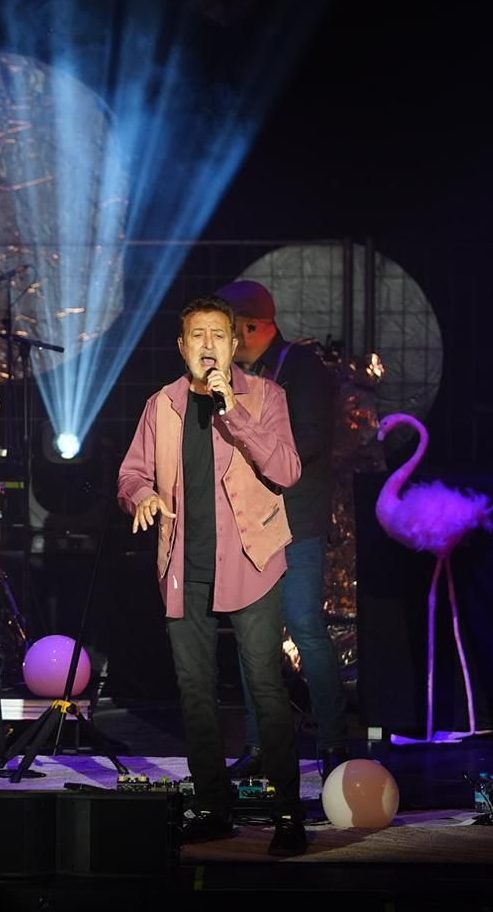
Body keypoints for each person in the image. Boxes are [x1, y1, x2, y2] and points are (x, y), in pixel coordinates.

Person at [117, 295, 308, 855]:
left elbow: (287, 470)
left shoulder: (264, 396)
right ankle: (213, 807)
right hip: (185, 562)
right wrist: (143, 495)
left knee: (266, 688)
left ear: (234, 344)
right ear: (182, 348)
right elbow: (130, 473)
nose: (207, 346)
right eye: (196, 336)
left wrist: (235, 414)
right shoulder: (163, 406)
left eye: (218, 336)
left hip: (252, 559)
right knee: (195, 691)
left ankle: (287, 814)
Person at [219, 279, 350, 781]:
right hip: (252, 526)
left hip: (294, 521)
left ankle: (335, 745)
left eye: (231, 329)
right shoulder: (236, 374)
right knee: (256, 638)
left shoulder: (303, 368)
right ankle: (260, 746)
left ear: (252, 326)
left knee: (306, 629)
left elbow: (312, 442)